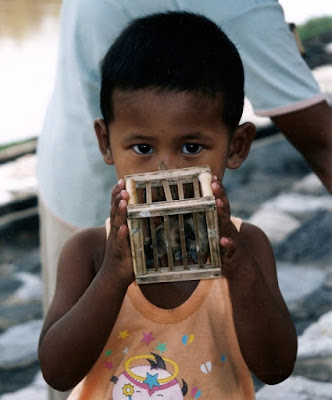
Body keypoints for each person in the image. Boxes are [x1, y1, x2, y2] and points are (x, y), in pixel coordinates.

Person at [38, 12, 297, 399]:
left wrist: (240, 270)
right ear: (106, 143)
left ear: (237, 146)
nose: (165, 171)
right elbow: (57, 372)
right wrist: (113, 274)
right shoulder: (89, 253)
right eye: (142, 148)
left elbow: (276, 368)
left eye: (191, 148)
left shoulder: (249, 247)